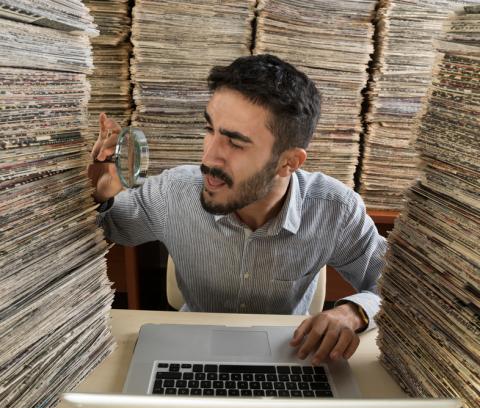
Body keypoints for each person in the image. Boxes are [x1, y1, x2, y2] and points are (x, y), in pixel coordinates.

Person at [88, 54, 387, 366]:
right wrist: (98, 194)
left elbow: (392, 285)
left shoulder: (335, 210)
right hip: (191, 353)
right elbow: (105, 226)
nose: (208, 157)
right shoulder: (172, 193)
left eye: (235, 143)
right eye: (210, 129)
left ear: (288, 162)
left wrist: (353, 312)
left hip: (291, 354)